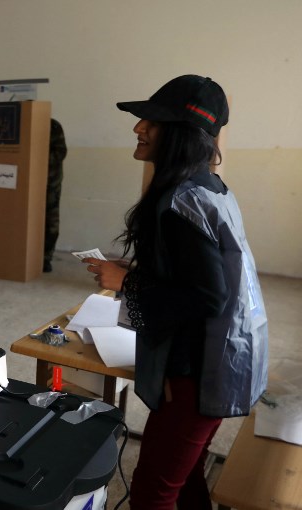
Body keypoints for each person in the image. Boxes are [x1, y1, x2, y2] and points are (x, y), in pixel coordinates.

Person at [82, 75, 268, 509]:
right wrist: (143, 270)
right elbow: (200, 273)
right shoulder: (210, 189)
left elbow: (208, 296)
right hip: (227, 357)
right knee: (184, 479)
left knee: (153, 491)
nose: (139, 127)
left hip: (202, 372)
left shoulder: (181, 201)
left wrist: (126, 283)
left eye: (154, 121)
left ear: (181, 135)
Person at [43, 118, 68, 273]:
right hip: (24, 185)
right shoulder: (18, 125)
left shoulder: (52, 125)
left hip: (50, 183)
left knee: (50, 222)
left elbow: (60, 152)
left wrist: (35, 159)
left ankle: (45, 258)